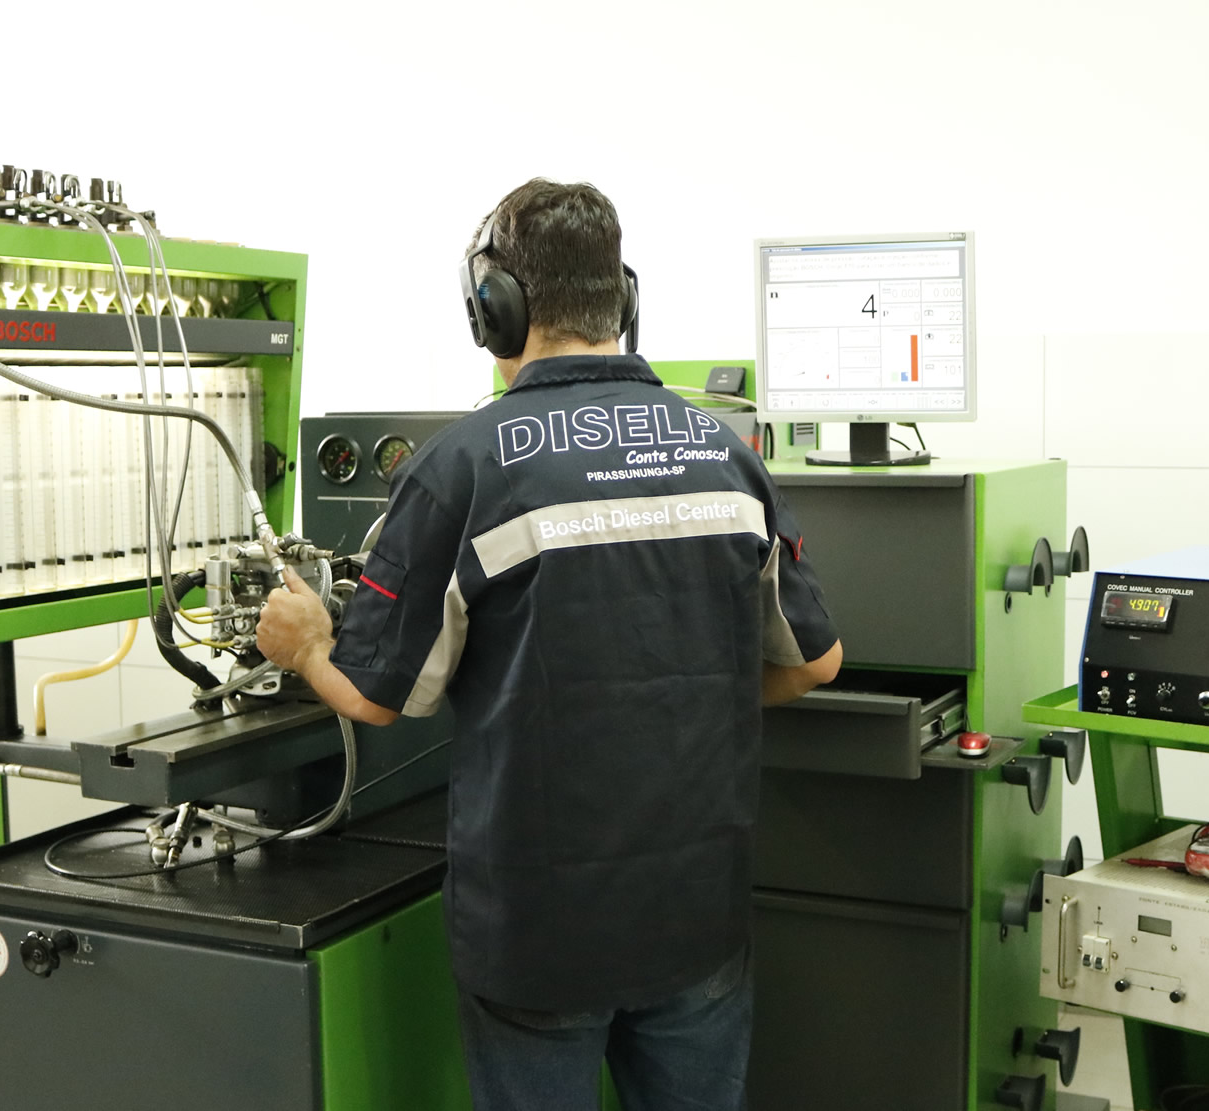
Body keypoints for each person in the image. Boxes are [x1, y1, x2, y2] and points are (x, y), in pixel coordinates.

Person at [255, 178, 842, 1111]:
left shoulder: (462, 468)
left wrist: (306, 645)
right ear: (624, 300)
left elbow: (376, 697)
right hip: (696, 913)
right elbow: (813, 663)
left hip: (538, 931)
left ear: (493, 308)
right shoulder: (725, 455)